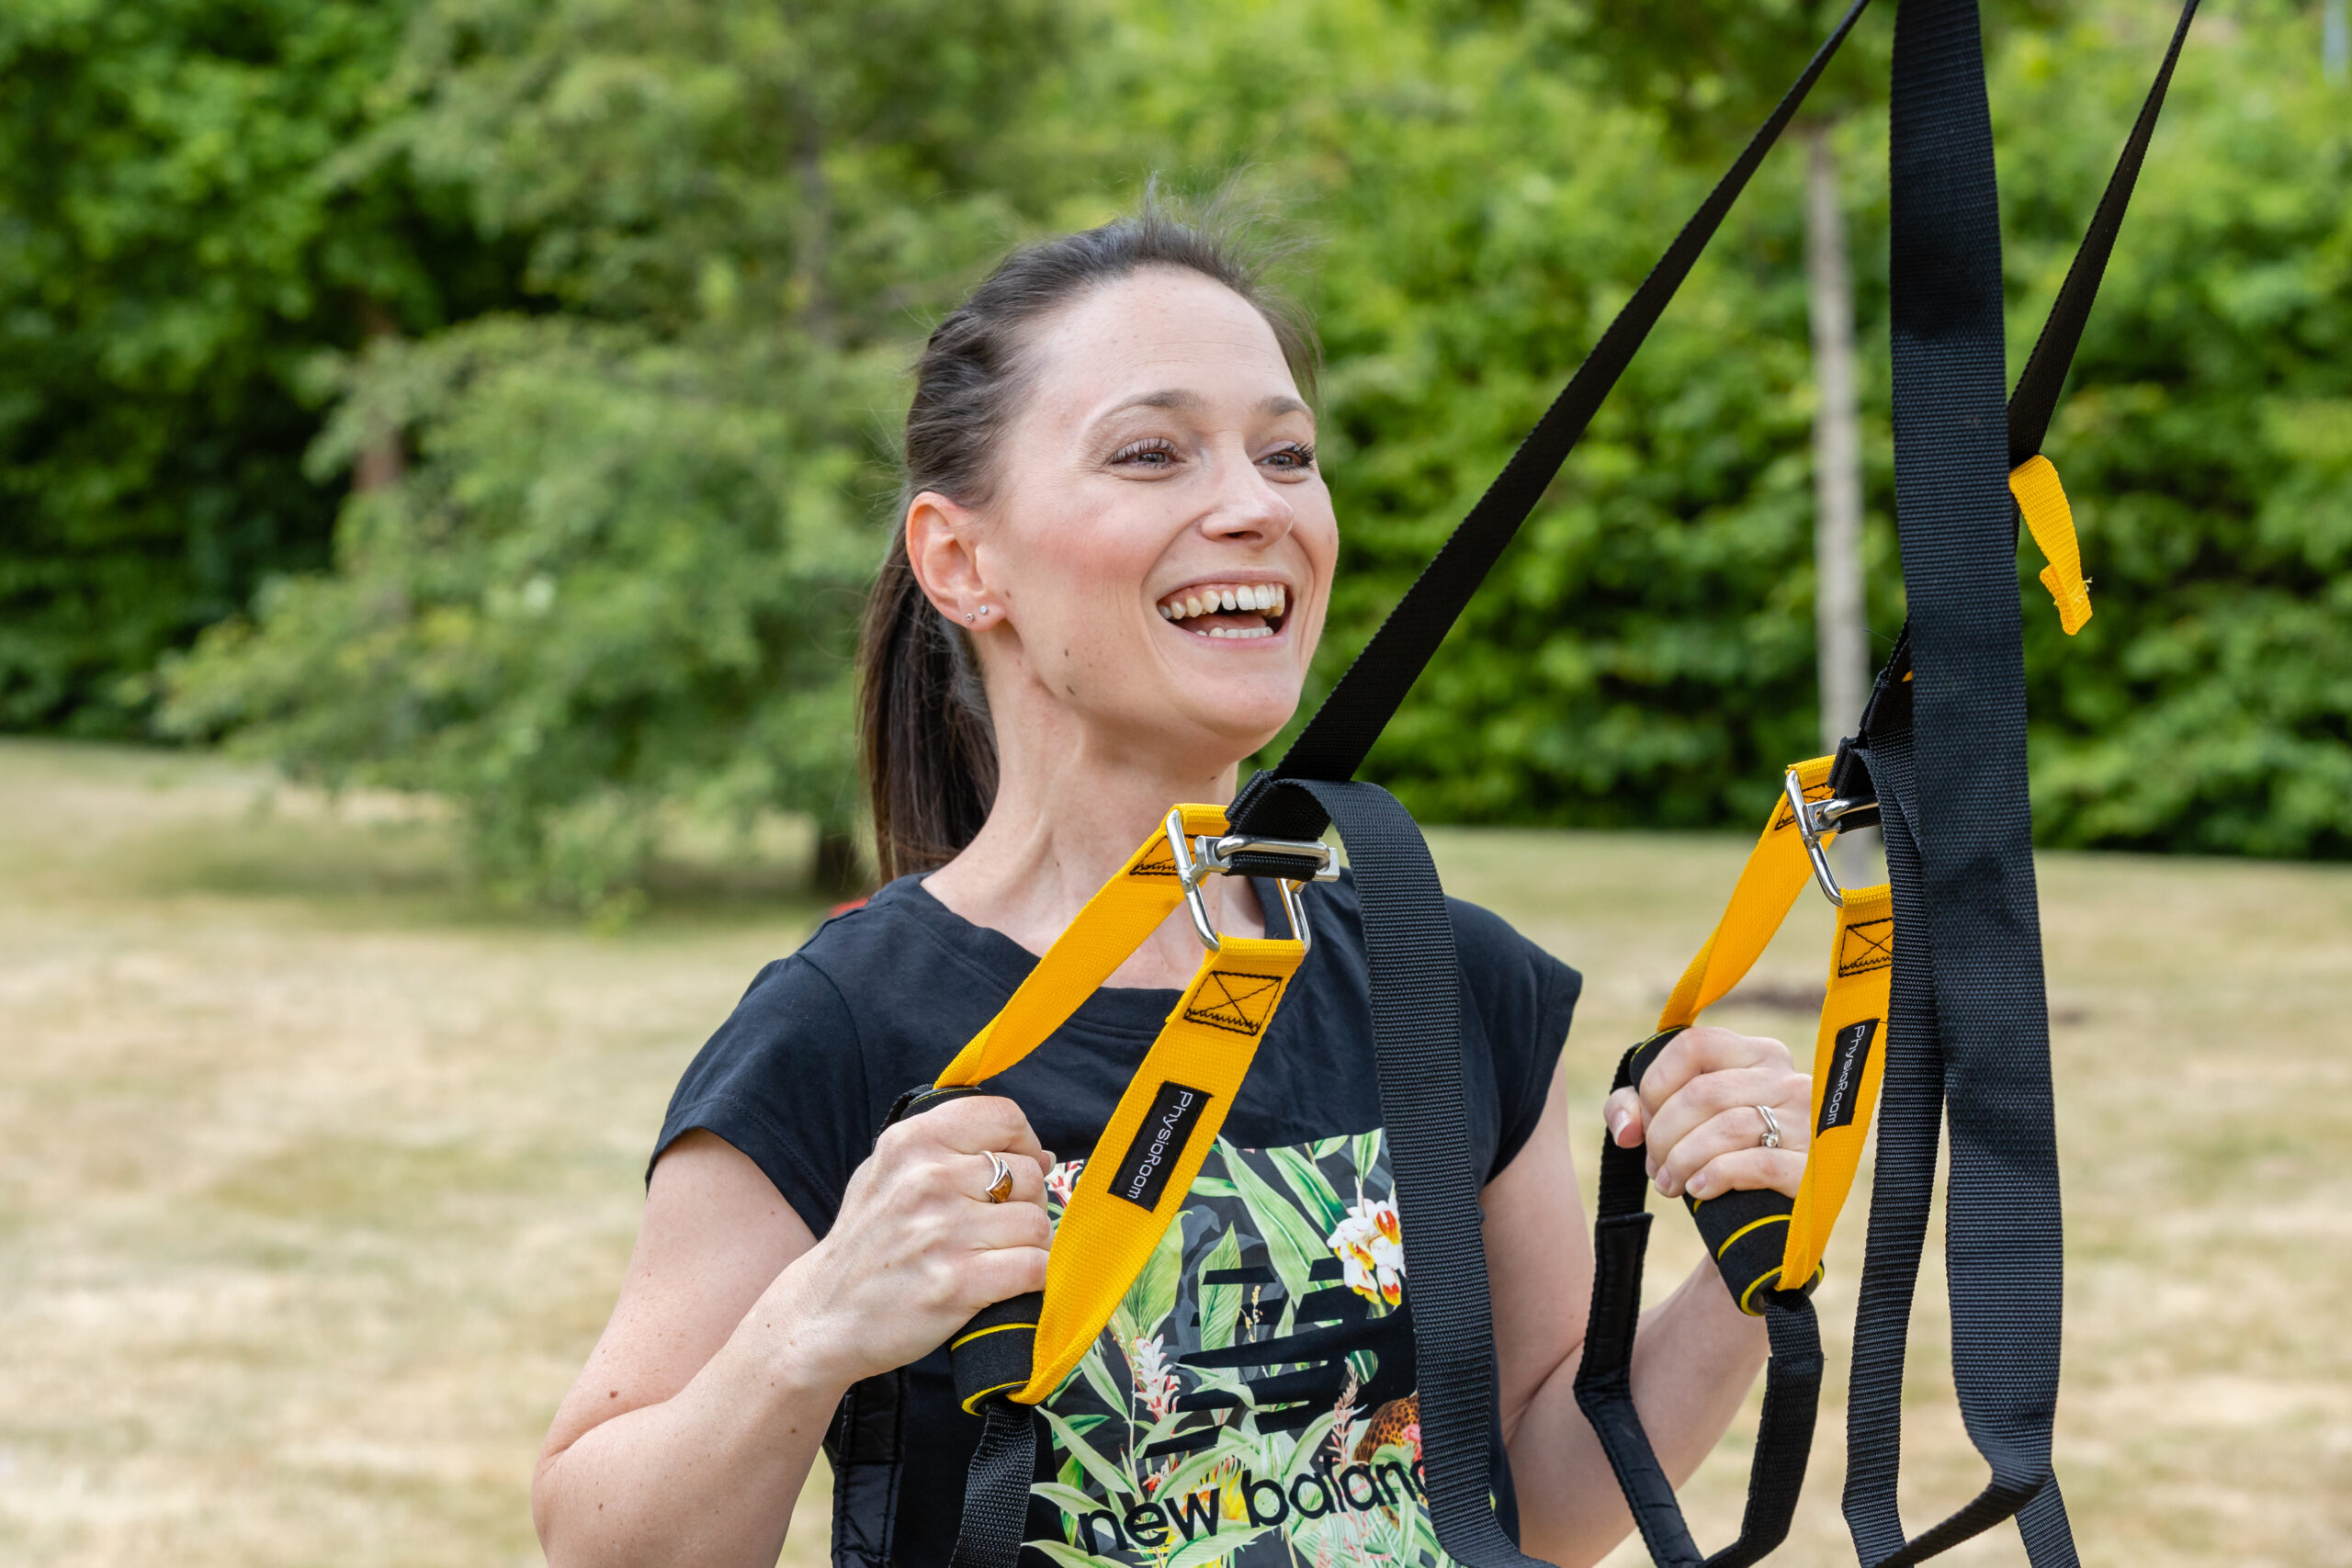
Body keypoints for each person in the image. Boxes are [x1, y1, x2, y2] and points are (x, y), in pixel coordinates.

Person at [530, 206, 1814, 1568]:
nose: (1253, 506)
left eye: (1287, 454)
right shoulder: (845, 1025)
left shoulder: (1448, 980)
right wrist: (810, 1330)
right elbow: (596, 1539)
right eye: (1152, 454)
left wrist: (1749, 1277)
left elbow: (1540, 1508)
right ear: (961, 560)